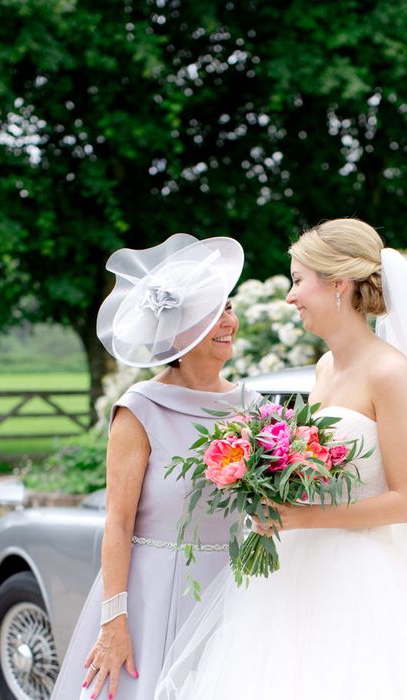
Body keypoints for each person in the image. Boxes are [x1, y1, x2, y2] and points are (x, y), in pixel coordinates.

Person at [155, 219, 407, 699]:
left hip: (357, 580)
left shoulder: (390, 373)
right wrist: (270, 483)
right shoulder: (325, 366)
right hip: (295, 573)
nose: (290, 296)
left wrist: (304, 516)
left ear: (338, 284)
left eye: (297, 280)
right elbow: (320, 465)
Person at [51, 233, 259, 700]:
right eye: (213, 312)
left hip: (232, 595)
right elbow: (118, 522)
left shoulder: (254, 405)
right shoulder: (140, 409)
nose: (229, 321)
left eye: (227, 308)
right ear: (179, 330)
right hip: (151, 594)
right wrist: (115, 620)